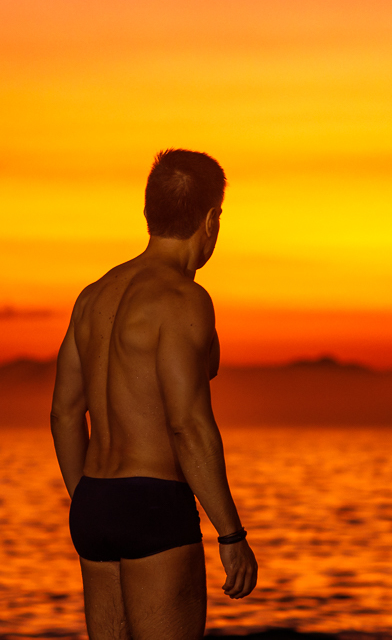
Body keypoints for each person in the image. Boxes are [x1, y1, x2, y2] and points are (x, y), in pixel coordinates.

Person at [50, 148, 258, 640]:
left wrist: (88, 499)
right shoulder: (183, 300)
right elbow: (188, 423)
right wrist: (231, 534)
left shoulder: (94, 295)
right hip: (154, 502)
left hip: (94, 499)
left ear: (150, 211)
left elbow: (63, 413)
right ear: (211, 219)